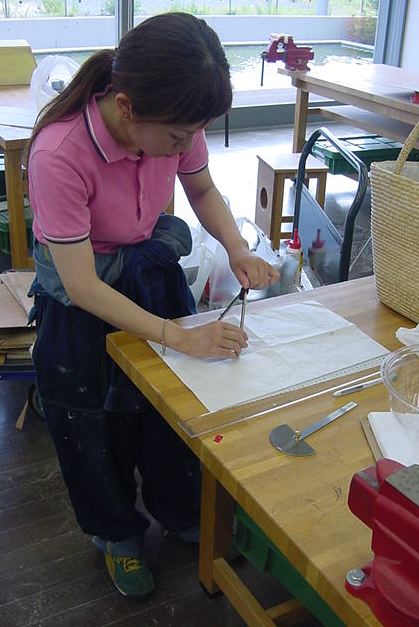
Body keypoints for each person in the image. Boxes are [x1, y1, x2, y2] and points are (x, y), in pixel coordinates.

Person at [27, 12, 279, 599]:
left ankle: (182, 510)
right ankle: (116, 533)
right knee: (92, 425)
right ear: (126, 107)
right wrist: (179, 334)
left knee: (168, 412)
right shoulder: (59, 153)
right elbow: (83, 287)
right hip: (82, 298)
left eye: (195, 133)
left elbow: (201, 189)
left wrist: (237, 247)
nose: (186, 145)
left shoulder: (172, 122)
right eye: (179, 136)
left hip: (147, 274)